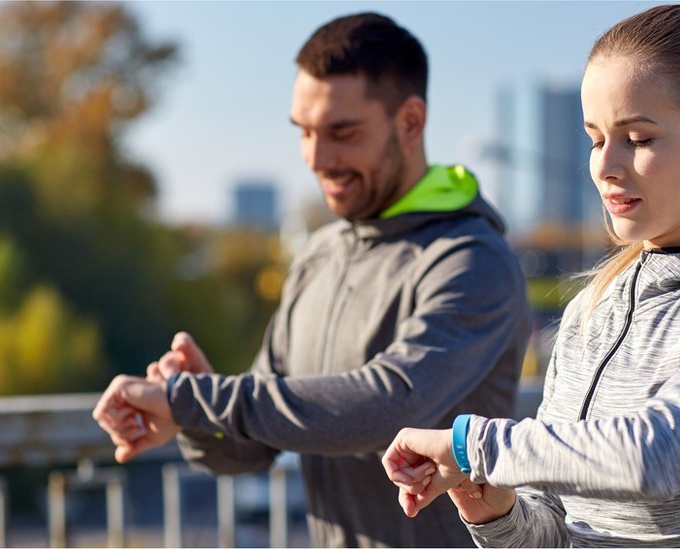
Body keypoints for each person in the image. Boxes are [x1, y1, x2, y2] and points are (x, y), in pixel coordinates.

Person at [382, 4, 680, 547]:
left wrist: (472, 445)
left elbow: (657, 456)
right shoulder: (592, 308)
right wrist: (496, 511)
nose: (604, 165)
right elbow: (557, 531)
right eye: (596, 138)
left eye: (639, 138)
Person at [92, 12, 531, 548]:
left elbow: (388, 406)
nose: (317, 158)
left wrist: (198, 400)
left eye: (341, 133)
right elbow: (251, 451)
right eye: (304, 131)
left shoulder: (471, 259)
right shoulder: (319, 255)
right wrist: (197, 420)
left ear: (411, 122)